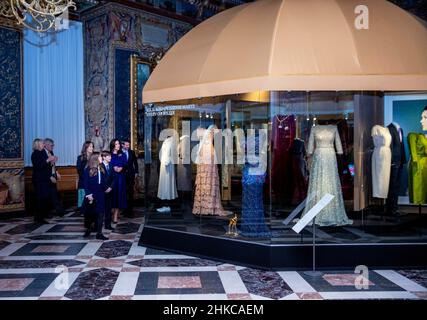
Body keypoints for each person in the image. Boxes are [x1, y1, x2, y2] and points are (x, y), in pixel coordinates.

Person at [82, 153, 108, 240]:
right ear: (95, 159)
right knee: (90, 214)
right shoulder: (88, 170)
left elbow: (104, 181)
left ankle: (99, 233)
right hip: (91, 195)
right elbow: (85, 184)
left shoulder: (102, 168)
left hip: (100, 194)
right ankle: (88, 229)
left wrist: (106, 188)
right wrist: (88, 194)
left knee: (100, 213)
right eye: (100, 157)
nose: (102, 158)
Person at [43, 138, 66, 217]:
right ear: (46, 145)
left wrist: (56, 173)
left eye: (53, 145)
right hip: (46, 178)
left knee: (54, 195)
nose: (53, 147)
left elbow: (52, 165)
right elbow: (41, 166)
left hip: (53, 177)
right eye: (51, 145)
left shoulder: (51, 152)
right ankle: (45, 214)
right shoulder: (41, 153)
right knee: (46, 197)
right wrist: (49, 160)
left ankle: (60, 212)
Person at [31, 138, 50, 224]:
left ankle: (41, 216)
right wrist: (47, 160)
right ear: (37, 144)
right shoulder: (35, 154)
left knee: (44, 198)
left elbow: (46, 164)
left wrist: (51, 161)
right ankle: (38, 218)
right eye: (42, 143)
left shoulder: (43, 152)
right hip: (39, 180)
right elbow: (38, 166)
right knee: (40, 199)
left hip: (45, 179)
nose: (44, 145)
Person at [110, 139, 127, 223]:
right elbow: (107, 164)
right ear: (113, 145)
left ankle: (116, 215)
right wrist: (113, 168)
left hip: (120, 178)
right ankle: (111, 212)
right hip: (112, 177)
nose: (118, 145)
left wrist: (122, 168)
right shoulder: (109, 154)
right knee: (112, 196)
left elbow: (125, 164)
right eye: (116, 144)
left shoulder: (122, 154)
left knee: (118, 196)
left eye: (119, 144)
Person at [122, 139, 138, 217]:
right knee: (124, 192)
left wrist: (136, 172)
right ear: (123, 145)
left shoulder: (132, 152)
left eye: (129, 145)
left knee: (130, 192)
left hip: (131, 175)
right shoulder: (120, 153)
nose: (128, 146)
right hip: (122, 175)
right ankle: (124, 210)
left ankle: (130, 210)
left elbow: (135, 163)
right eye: (126, 145)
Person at [76, 141, 94, 211]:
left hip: (92, 181)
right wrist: (87, 178)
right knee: (83, 201)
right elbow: (79, 170)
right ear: (86, 148)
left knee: (92, 202)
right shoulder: (80, 158)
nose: (92, 148)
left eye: (92, 146)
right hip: (83, 181)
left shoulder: (94, 157)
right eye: (90, 146)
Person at [101, 150, 114, 230]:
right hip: (102, 191)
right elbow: (100, 179)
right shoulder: (100, 166)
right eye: (108, 156)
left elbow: (114, 178)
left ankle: (108, 225)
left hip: (110, 190)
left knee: (109, 208)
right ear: (104, 157)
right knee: (101, 209)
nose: (110, 157)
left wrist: (110, 187)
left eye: (110, 156)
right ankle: (97, 225)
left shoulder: (111, 166)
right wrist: (105, 188)